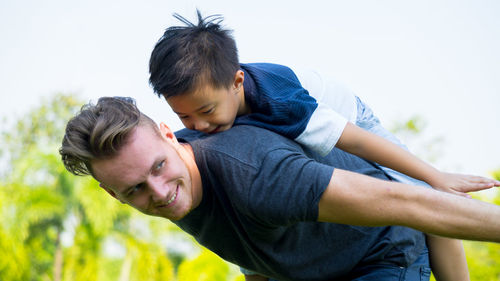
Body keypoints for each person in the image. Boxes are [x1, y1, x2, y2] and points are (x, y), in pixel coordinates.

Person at [147, 11, 499, 281]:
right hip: (299, 139)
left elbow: (356, 140)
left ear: (238, 82)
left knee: (420, 192)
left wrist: (435, 176)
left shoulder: (282, 102)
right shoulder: (217, 118)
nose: (200, 126)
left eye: (206, 111)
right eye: (185, 118)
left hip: (347, 120)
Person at [60, 97, 500, 281]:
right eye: (135, 189)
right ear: (111, 193)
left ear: (169, 135)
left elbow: (408, 201)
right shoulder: (171, 188)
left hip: (381, 254)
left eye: (159, 167)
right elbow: (254, 250)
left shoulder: (255, 174)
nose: (158, 192)